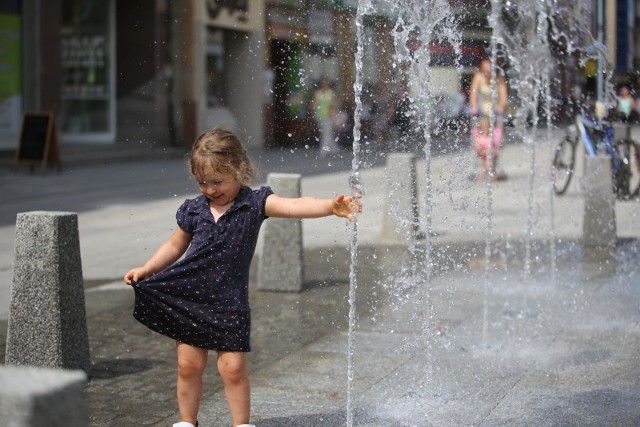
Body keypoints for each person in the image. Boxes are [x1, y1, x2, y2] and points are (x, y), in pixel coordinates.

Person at [124, 128, 362, 427]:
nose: (210, 189)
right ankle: (187, 421)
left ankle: (241, 423)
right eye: (202, 183)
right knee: (188, 365)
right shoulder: (194, 210)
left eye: (218, 182)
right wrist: (148, 269)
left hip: (229, 302)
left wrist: (330, 207)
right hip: (190, 296)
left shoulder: (254, 203)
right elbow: (174, 245)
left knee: (233, 368)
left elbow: (293, 205)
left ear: (241, 169)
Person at [469, 57, 508, 180]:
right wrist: (473, 106)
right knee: (484, 137)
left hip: (495, 110)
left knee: (494, 139)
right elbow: (474, 92)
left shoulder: (499, 79)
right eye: (484, 68)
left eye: (488, 68)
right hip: (482, 110)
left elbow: (503, 94)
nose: (486, 71)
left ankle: (491, 168)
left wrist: (501, 106)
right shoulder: (478, 77)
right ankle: (487, 167)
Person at [312, 76, 338, 156]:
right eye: (323, 83)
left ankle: (324, 150)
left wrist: (332, 110)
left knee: (326, 133)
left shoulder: (331, 92)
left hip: (329, 115)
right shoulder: (318, 93)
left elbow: (335, 103)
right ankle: (334, 149)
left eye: (326, 83)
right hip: (319, 115)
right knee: (326, 133)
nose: (324, 84)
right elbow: (314, 103)